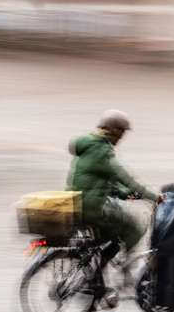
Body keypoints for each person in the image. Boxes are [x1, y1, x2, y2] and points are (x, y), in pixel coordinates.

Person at [67, 109, 159, 268]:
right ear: (115, 132)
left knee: (111, 236)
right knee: (134, 229)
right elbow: (127, 179)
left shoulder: (90, 145)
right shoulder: (102, 152)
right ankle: (126, 270)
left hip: (76, 203)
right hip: (92, 208)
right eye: (122, 134)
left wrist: (124, 194)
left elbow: (99, 182)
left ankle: (93, 270)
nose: (122, 138)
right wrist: (156, 196)